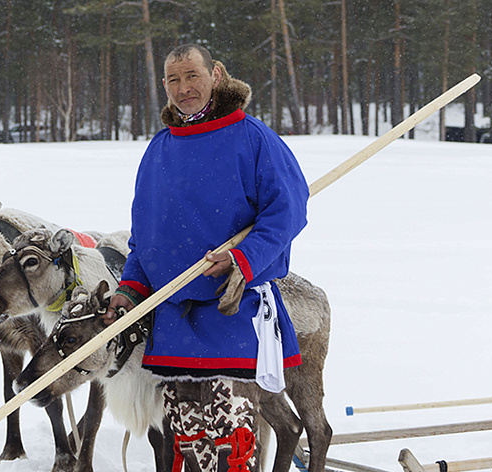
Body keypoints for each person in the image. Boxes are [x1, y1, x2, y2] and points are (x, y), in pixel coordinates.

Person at [106, 44, 309, 472]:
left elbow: (286, 212)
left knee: (231, 444)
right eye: (173, 79)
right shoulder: (159, 149)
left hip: (232, 311)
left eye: (192, 76)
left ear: (215, 74)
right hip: (174, 321)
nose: (183, 88)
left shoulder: (253, 138)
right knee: (186, 441)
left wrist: (242, 258)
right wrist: (131, 286)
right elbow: (146, 236)